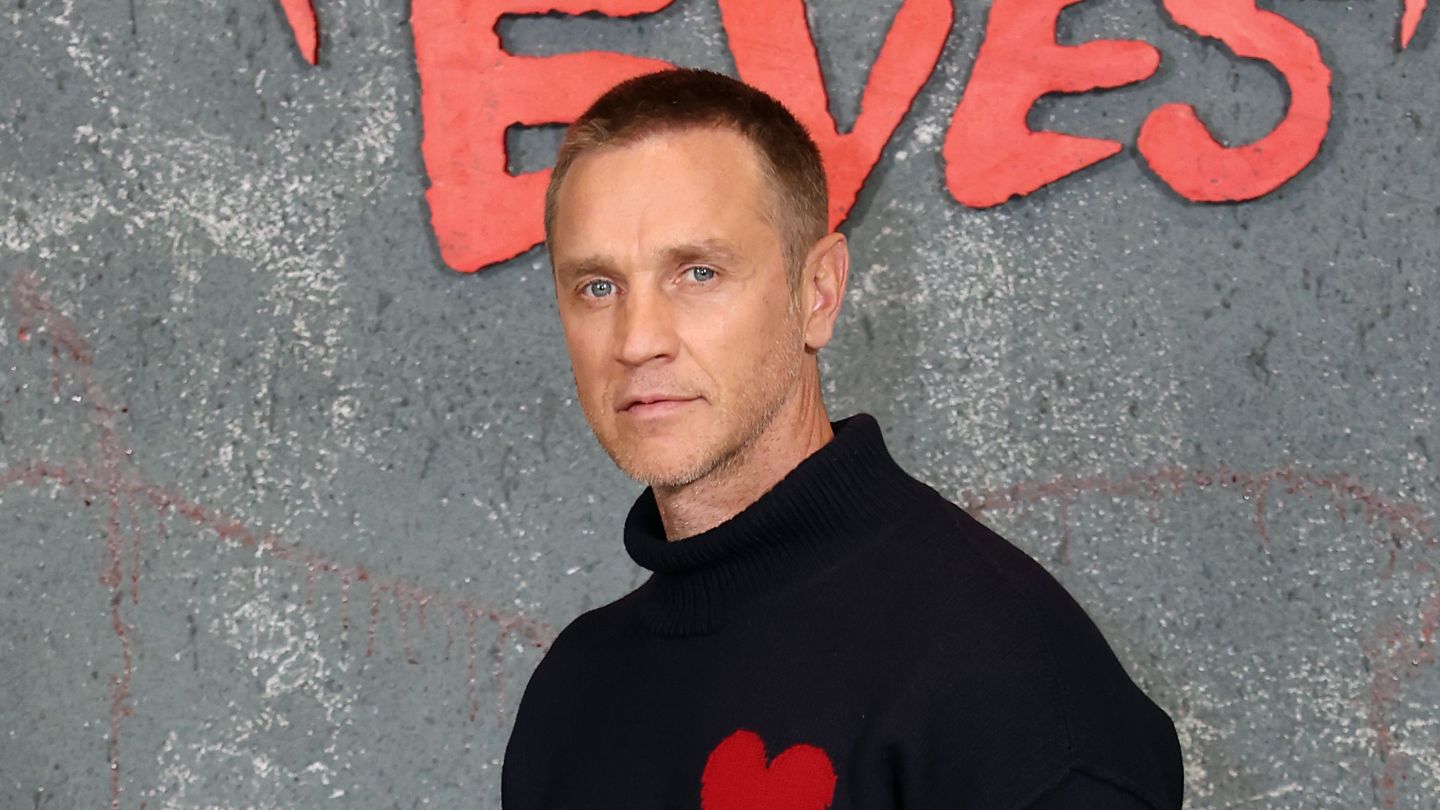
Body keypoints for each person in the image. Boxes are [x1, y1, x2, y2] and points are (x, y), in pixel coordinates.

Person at [500, 67, 1183, 809]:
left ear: (818, 293)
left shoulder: (1004, 679)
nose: (637, 341)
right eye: (597, 287)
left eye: (698, 273)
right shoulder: (574, 693)